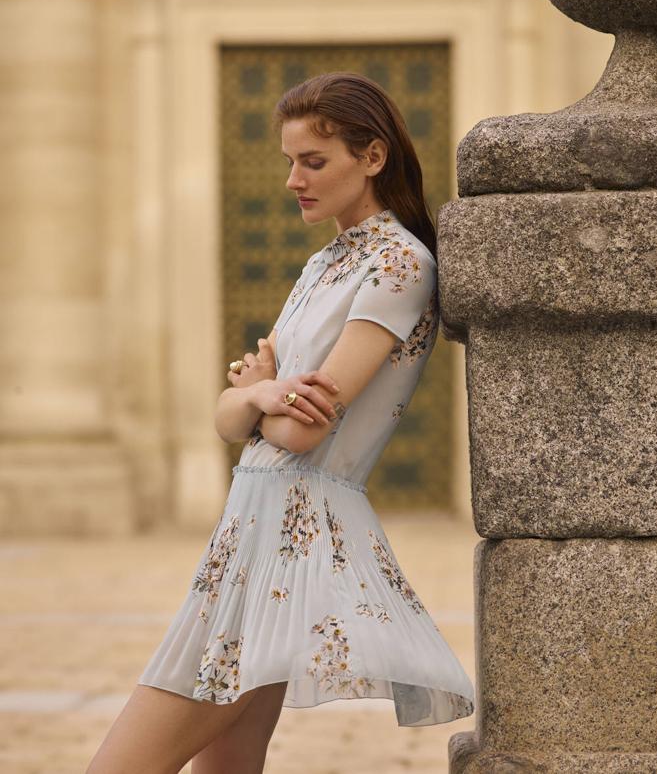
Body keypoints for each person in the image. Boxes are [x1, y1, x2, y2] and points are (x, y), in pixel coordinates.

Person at [86, 71, 474, 774]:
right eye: (289, 160)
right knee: (226, 766)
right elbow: (229, 413)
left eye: (314, 161)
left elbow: (299, 432)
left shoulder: (397, 265)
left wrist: (256, 400)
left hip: (292, 538)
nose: (294, 179)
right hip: (252, 527)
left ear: (374, 157)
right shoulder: (323, 263)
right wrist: (260, 399)